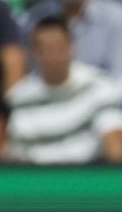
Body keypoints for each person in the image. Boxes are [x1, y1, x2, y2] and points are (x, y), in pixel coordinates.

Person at [6, 17, 122, 163]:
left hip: (88, 179)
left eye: (58, 48)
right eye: (44, 49)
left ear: (71, 47)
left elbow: (115, 145)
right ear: (33, 52)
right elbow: (15, 157)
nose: (52, 56)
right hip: (36, 181)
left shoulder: (99, 87)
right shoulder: (18, 99)